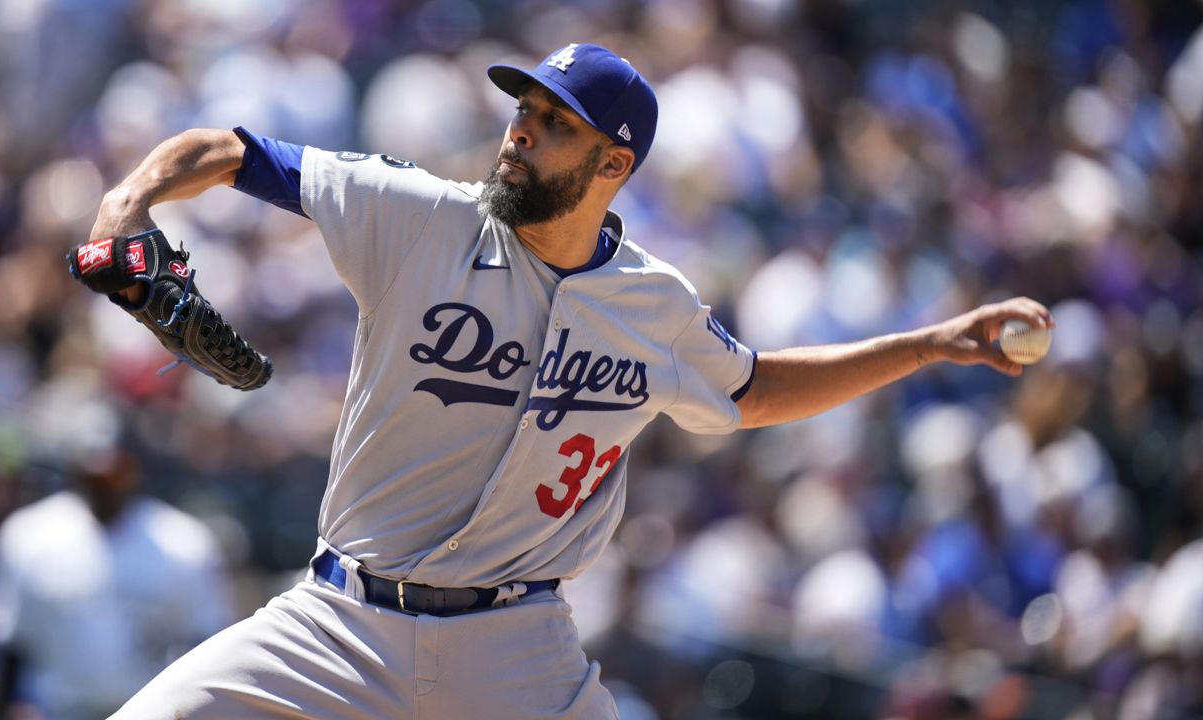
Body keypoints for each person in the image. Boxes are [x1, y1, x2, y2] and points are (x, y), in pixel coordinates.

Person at [83, 43, 1051, 719]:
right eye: (523, 110)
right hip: (336, 623)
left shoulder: (652, 304)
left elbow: (752, 390)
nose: (520, 131)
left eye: (554, 123)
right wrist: (127, 202)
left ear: (611, 161)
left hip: (512, 653)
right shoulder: (416, 215)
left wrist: (926, 345)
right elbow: (231, 153)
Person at [0, 443, 232, 720]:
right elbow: (9, 640)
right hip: (58, 708)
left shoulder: (181, 542)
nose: (104, 486)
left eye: (113, 476)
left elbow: (204, 639)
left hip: (152, 708)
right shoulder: (29, 535)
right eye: (94, 478)